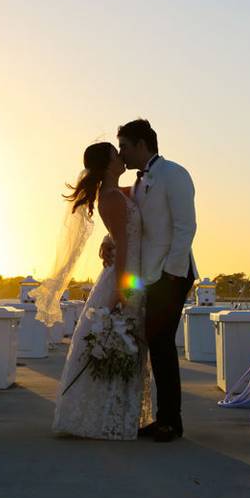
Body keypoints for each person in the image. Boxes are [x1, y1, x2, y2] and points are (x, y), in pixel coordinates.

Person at [32, 142, 153, 439]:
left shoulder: (118, 193)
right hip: (125, 276)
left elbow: (118, 234)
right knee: (122, 342)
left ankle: (117, 415)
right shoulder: (110, 197)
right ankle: (104, 418)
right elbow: (123, 245)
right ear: (107, 163)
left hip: (130, 272)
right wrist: (125, 290)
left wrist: (106, 241)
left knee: (129, 345)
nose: (121, 157)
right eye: (116, 154)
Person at [116, 118, 197, 442]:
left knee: (161, 342)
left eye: (124, 146)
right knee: (155, 343)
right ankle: (163, 417)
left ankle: (171, 422)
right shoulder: (139, 182)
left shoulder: (174, 174)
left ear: (140, 144)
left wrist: (170, 273)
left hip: (171, 272)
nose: (121, 153)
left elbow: (185, 227)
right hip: (149, 275)